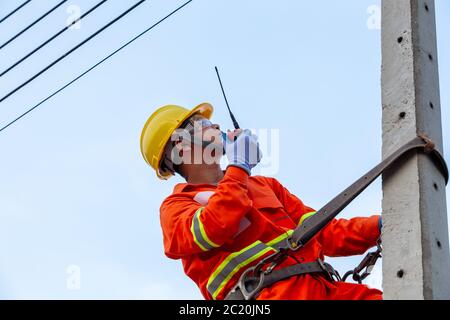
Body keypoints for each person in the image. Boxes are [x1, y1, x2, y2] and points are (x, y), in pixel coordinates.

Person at [140, 103, 383, 300]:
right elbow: (214, 225)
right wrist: (238, 166)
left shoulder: (264, 185)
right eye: (202, 123)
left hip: (325, 291)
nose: (214, 125)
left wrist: (382, 226)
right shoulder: (177, 206)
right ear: (179, 147)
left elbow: (323, 231)